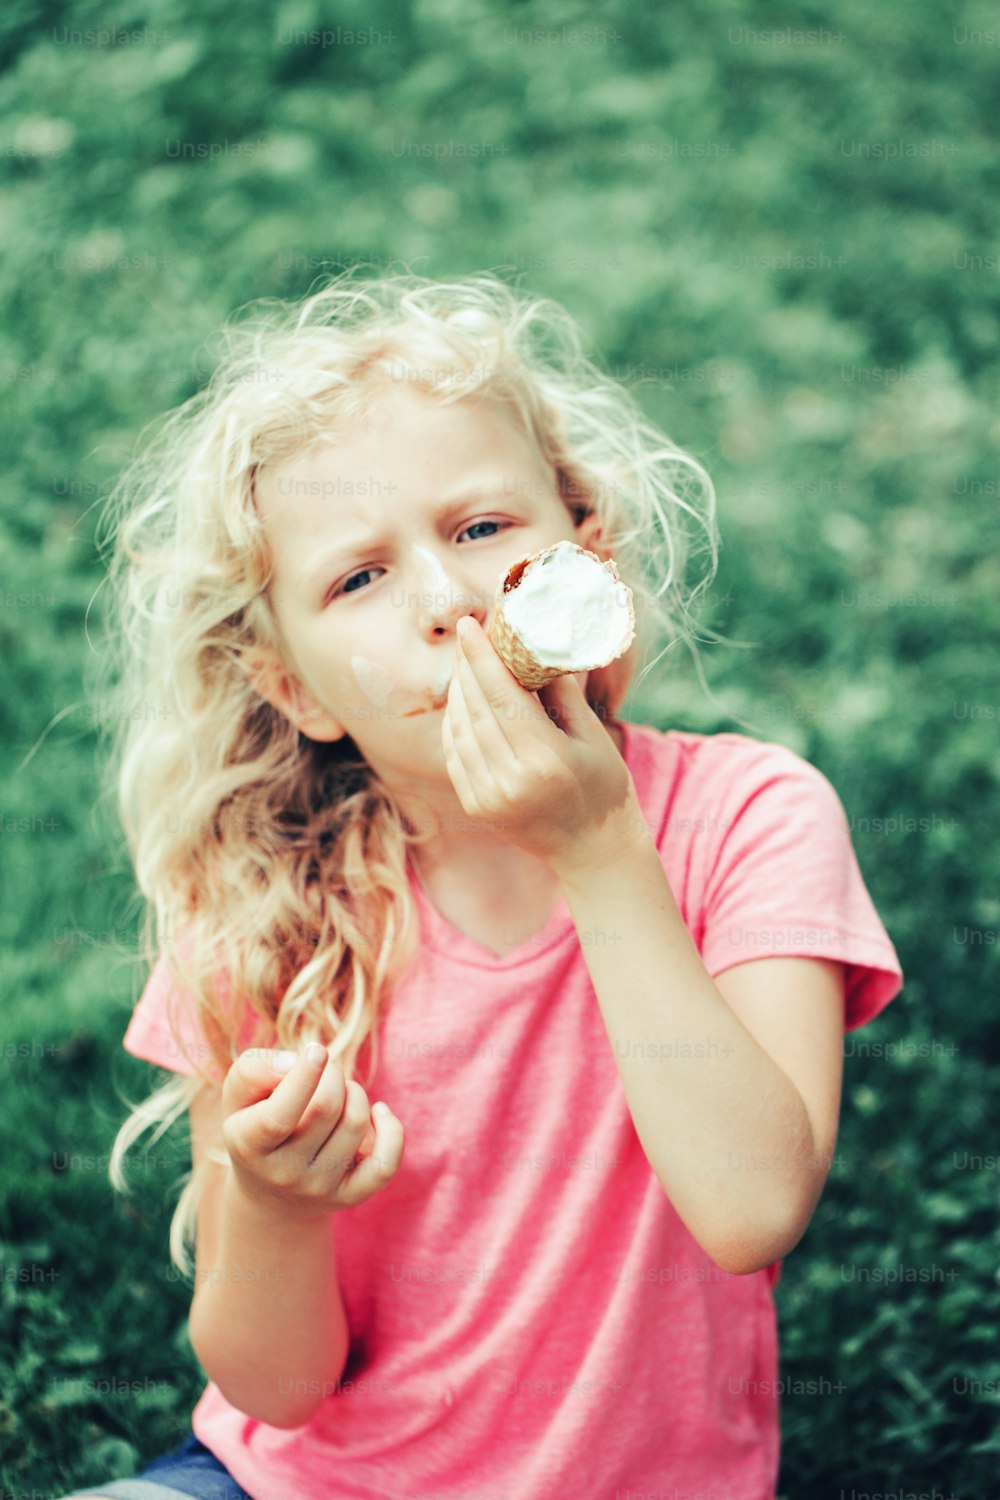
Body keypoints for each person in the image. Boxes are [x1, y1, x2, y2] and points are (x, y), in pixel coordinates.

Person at [65, 270, 903, 1500]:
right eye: (359, 579)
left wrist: (599, 849)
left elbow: (751, 1208)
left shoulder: (749, 820)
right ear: (293, 688)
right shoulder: (267, 906)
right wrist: (277, 1204)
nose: (450, 601)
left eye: (481, 529)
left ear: (589, 553)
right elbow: (273, 1387)